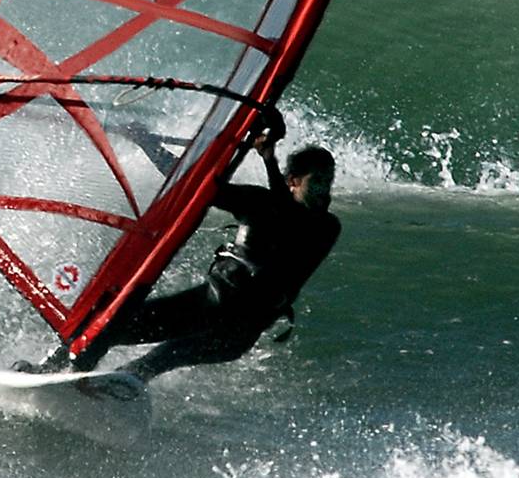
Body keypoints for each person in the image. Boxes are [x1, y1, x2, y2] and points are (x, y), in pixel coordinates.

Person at [22, 111, 340, 386]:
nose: (326, 189)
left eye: (330, 180)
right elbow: (193, 184)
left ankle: (109, 390)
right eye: (320, 180)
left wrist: (269, 157)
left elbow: (290, 221)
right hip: (210, 305)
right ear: (294, 181)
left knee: (159, 359)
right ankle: (50, 370)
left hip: (238, 330)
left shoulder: (325, 228)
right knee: (107, 325)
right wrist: (145, 142)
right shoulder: (259, 203)